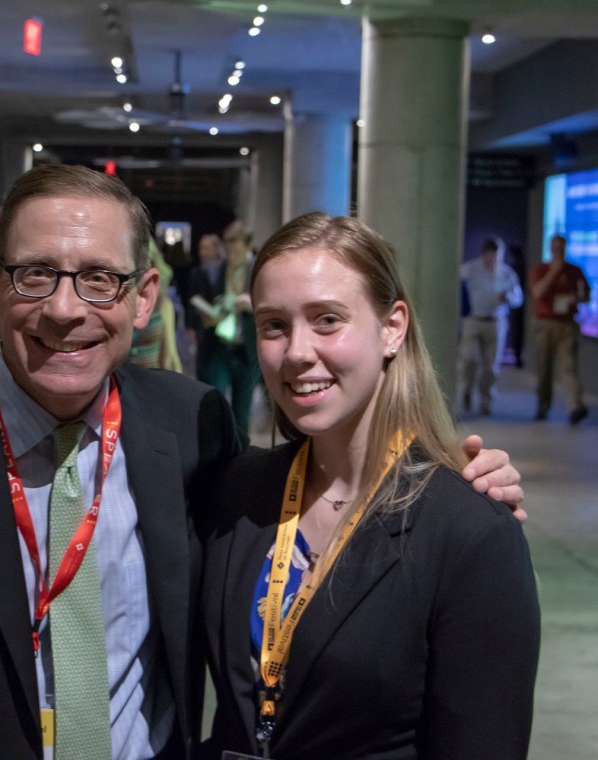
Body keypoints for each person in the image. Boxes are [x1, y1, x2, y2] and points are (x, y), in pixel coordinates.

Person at [0, 165, 524, 759]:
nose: (67, 309)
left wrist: (463, 494)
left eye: (100, 278)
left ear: (143, 298)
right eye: (35, 274)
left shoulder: (189, 428)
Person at [200, 212, 540, 759]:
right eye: (273, 325)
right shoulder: (239, 490)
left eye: (327, 320)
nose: (296, 352)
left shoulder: (469, 530)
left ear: (392, 327)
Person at [187, 220, 260, 435]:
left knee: (242, 413)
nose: (231, 256)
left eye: (236, 251)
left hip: (246, 350)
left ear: (246, 247)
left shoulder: (258, 271)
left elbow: (278, 307)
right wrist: (207, 317)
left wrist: (253, 305)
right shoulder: (215, 270)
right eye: (228, 250)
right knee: (215, 406)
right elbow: (199, 307)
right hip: (219, 347)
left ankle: (241, 461)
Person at [457, 236, 523, 415]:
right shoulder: (470, 269)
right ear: (484, 254)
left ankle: (486, 399)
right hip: (473, 320)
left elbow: (518, 297)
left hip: (496, 321)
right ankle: (466, 390)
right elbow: (454, 285)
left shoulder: (507, 273)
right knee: (469, 358)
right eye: (491, 255)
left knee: (491, 365)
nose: (494, 259)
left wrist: (509, 298)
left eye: (497, 256)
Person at [529, 234, 591, 424]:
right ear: (550, 248)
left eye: (561, 248)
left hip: (567, 324)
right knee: (544, 367)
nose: (558, 252)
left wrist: (576, 298)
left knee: (568, 366)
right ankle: (543, 404)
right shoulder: (541, 270)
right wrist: (553, 272)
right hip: (545, 324)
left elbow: (586, 295)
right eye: (555, 248)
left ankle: (575, 406)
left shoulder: (575, 271)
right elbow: (537, 292)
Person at [130, 238, 183, 372]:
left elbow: (170, 357)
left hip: (150, 384)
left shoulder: (163, 305)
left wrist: (179, 389)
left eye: (147, 262)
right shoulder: (115, 302)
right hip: (116, 387)